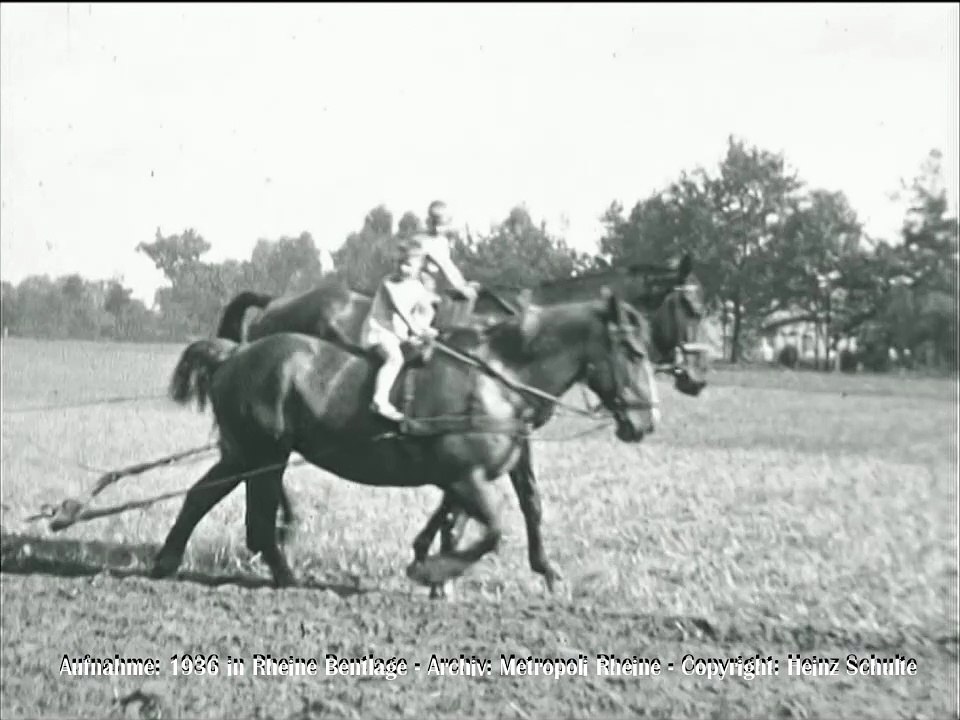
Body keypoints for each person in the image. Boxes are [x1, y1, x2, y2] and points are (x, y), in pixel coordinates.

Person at [360, 238, 440, 422]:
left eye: (408, 265)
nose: (402, 268)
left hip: (398, 335)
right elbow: (402, 311)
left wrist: (427, 330)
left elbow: (421, 313)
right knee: (395, 359)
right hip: (379, 332)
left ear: (419, 266)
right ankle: (379, 400)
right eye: (399, 263)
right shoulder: (388, 283)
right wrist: (418, 331)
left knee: (423, 355)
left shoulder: (417, 287)